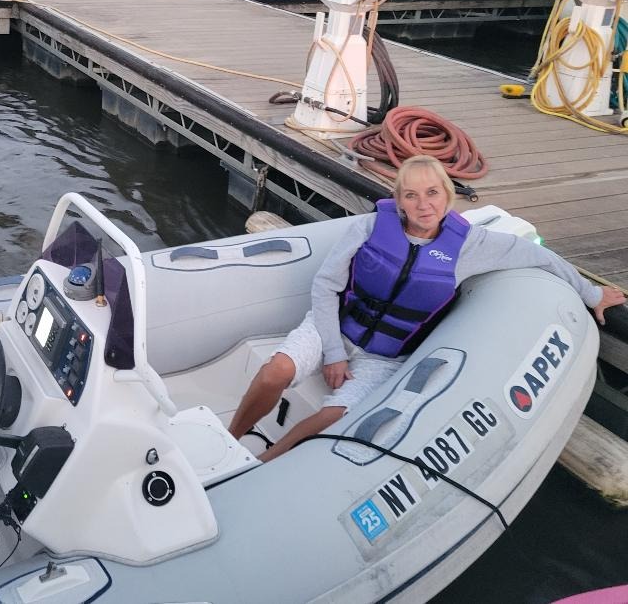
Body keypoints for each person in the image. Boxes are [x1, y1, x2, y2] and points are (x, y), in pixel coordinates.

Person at [228, 154, 624, 462]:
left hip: (386, 358)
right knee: (275, 372)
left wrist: (592, 294)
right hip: (334, 325)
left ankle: (263, 463)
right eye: (412, 195)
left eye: (432, 193)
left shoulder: (472, 246)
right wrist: (333, 352)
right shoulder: (368, 227)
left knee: (332, 420)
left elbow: (541, 256)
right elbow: (325, 285)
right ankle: (230, 441)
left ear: (447, 196)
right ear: (399, 200)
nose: (423, 204)